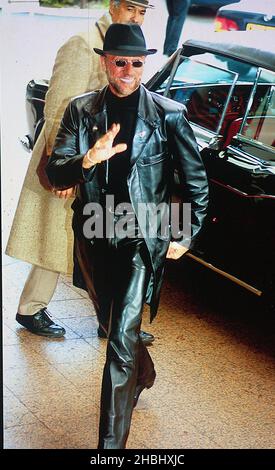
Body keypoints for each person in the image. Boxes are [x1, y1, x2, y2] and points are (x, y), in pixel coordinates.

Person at [46, 23, 208, 449]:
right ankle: (146, 373)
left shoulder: (169, 114)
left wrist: (185, 233)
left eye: (137, 62)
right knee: (113, 322)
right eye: (121, 61)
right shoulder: (80, 110)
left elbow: (195, 182)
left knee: (118, 343)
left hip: (142, 237)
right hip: (95, 232)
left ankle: (110, 449)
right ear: (105, 62)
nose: (129, 70)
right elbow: (55, 172)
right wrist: (86, 159)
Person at [6, 0, 155, 344]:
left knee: (91, 239)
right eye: (131, 9)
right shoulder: (83, 42)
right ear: (114, 6)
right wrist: (65, 168)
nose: (137, 17)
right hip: (73, 158)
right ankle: (34, 308)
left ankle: (109, 319)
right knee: (64, 237)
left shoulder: (124, 47)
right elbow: (58, 107)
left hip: (100, 158)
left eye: (143, 11)